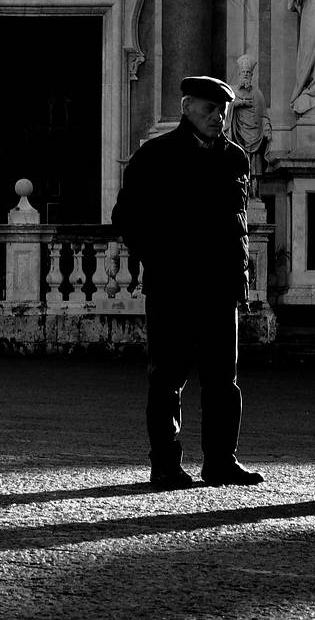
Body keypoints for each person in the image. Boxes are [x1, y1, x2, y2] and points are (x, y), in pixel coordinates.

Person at [112, 75, 264, 490]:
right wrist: (160, 261)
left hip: (220, 287)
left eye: (224, 110)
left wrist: (241, 279)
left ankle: (221, 462)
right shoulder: (156, 155)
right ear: (187, 107)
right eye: (210, 109)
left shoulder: (235, 157)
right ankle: (165, 464)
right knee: (167, 379)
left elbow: (240, 226)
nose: (219, 117)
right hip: (173, 285)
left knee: (223, 380)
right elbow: (126, 218)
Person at [226, 54, 273, 199]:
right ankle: (240, 197)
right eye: (243, 73)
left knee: (255, 172)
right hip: (237, 136)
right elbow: (226, 109)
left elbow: (264, 115)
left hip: (256, 138)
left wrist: (267, 129)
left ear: (252, 75)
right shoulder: (232, 92)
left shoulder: (257, 94)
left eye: (248, 73)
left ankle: (254, 196)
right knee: (238, 169)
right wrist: (239, 104)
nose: (246, 75)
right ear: (239, 74)